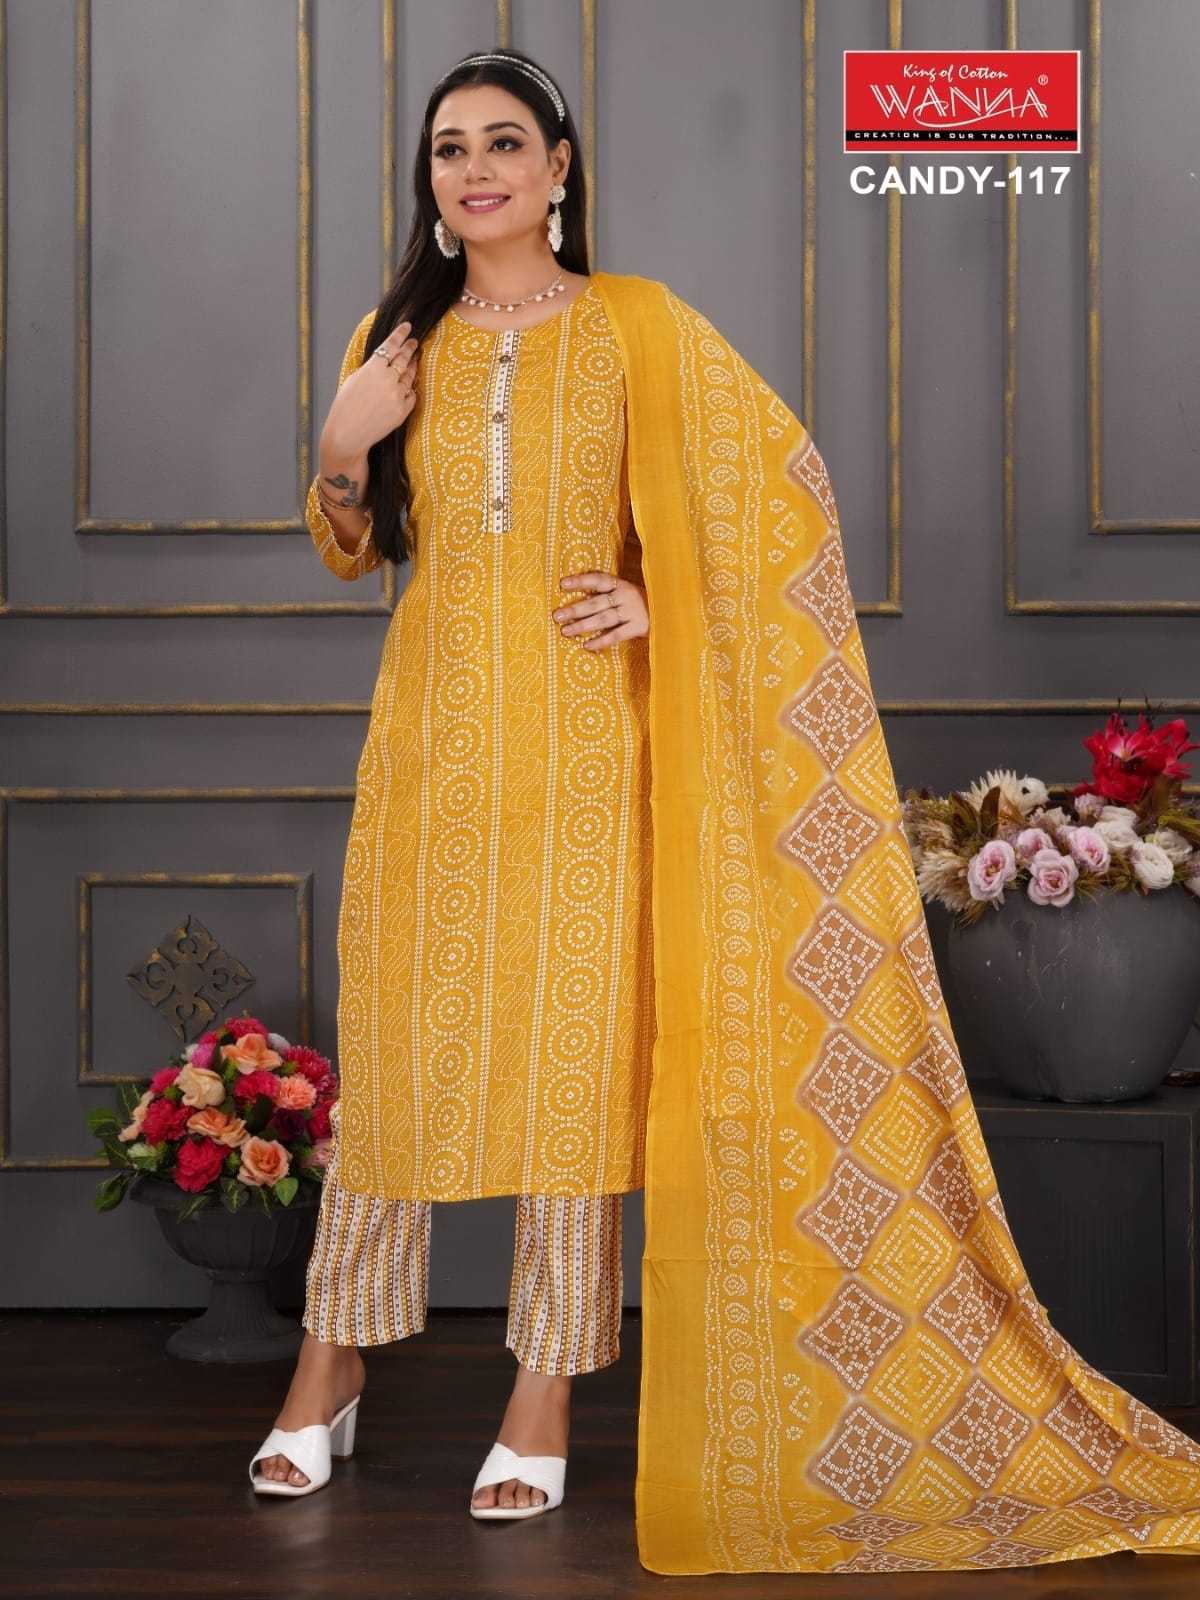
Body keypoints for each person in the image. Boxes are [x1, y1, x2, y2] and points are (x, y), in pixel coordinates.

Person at [249, 46, 1200, 1575]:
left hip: (590, 752)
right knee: (403, 1068)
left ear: (561, 168)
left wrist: (661, 603)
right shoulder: (392, 342)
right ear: (429, 182)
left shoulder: (636, 328)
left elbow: (783, 500)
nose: (475, 170)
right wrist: (340, 444)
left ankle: (543, 1390)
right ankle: (331, 1362)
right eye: (449, 149)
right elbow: (353, 548)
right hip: (428, 749)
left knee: (572, 1069)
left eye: (505, 143)